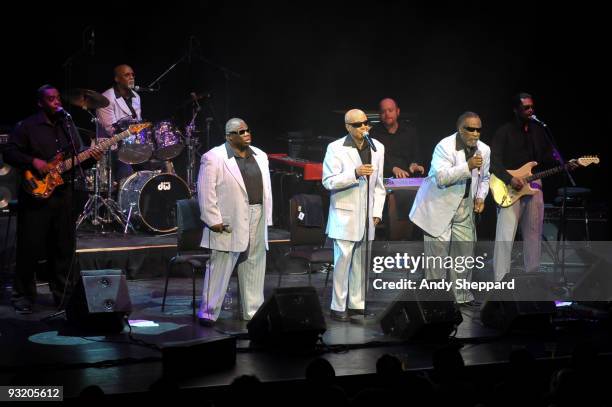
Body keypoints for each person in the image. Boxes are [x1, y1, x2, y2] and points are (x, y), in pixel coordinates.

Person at [3, 85, 103, 313]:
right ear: (40, 102)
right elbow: (9, 152)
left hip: (63, 194)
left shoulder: (67, 126)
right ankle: (24, 296)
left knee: (63, 247)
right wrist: (34, 162)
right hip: (35, 196)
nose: (57, 102)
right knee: (30, 247)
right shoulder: (27, 126)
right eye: (51, 99)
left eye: (58, 98)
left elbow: (77, 158)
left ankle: (63, 295)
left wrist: (92, 158)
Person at [197, 118, 272, 325]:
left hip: (257, 213)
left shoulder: (260, 155)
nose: (246, 134)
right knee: (220, 264)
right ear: (229, 136)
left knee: (254, 262)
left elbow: (266, 190)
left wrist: (267, 216)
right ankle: (209, 312)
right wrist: (213, 219)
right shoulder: (213, 157)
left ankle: (253, 311)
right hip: (228, 219)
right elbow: (205, 191)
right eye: (240, 132)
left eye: (247, 130)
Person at [409, 112, 490, 305]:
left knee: (465, 252)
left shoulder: (484, 150)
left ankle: (461, 297)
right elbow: (442, 178)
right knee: (437, 258)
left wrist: (480, 197)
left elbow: (485, 178)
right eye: (471, 129)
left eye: (478, 129)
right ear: (460, 129)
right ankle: (436, 301)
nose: (476, 133)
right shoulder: (444, 146)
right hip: (438, 205)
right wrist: (467, 166)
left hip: (464, 206)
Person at [322, 109, 386, 321]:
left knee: (362, 262)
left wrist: (377, 211)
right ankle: (338, 307)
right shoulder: (336, 148)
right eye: (358, 125)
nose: (363, 127)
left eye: (366, 123)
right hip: (344, 215)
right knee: (343, 262)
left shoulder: (378, 148)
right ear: (348, 127)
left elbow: (379, 185)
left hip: (367, 217)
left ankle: (357, 304)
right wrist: (354, 173)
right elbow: (328, 181)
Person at [491, 93, 562, 281]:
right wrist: (509, 179)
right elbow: (493, 162)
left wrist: (563, 163)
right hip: (509, 187)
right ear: (516, 110)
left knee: (533, 234)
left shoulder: (538, 131)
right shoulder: (504, 132)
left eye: (532, 107)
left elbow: (546, 158)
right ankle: (500, 280)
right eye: (526, 108)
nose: (530, 110)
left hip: (534, 184)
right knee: (506, 235)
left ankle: (532, 279)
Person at [96, 64, 142, 181]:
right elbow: (110, 129)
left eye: (132, 75)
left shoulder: (136, 96)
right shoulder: (106, 98)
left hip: (131, 144)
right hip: (112, 147)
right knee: (127, 171)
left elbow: (138, 121)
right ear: (117, 79)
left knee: (158, 163)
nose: (131, 77)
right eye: (127, 75)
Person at [369, 98, 424, 178]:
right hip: (384, 179)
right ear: (380, 114)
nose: (387, 114)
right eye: (383, 111)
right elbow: (373, 159)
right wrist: (392, 168)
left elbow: (417, 153)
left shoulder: (410, 131)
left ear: (397, 112)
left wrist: (415, 163)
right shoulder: (373, 133)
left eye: (390, 110)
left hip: (409, 178)